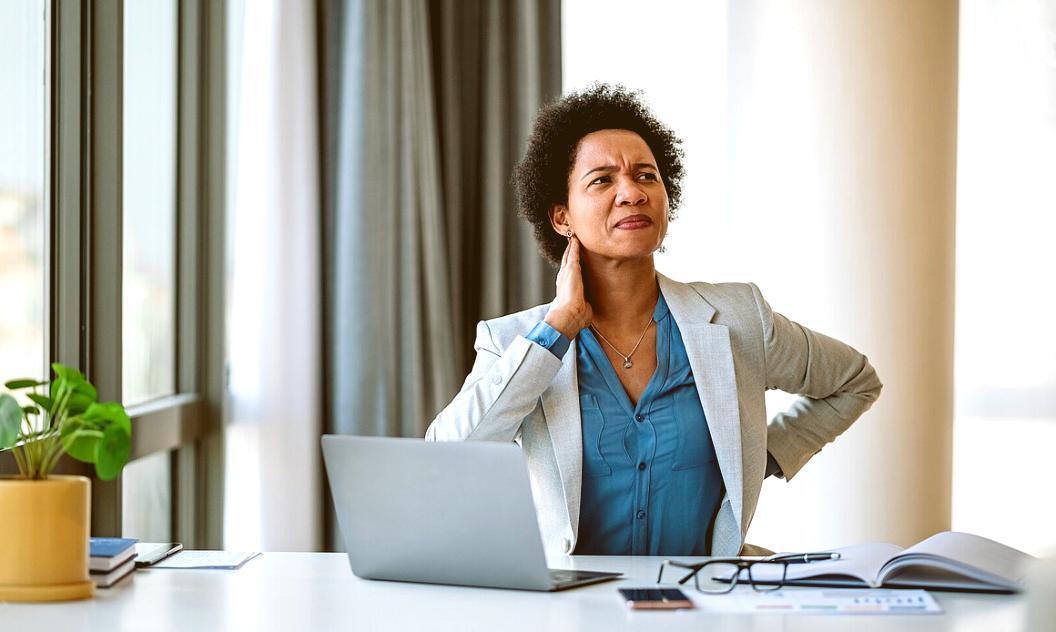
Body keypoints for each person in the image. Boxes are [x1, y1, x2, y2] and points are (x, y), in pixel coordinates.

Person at [425, 83, 882, 558]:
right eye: (602, 180)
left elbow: (854, 381)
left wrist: (757, 456)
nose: (631, 193)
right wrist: (557, 328)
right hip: (571, 608)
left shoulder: (739, 318)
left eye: (646, 176)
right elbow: (448, 456)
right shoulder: (514, 342)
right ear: (562, 217)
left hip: (705, 600)